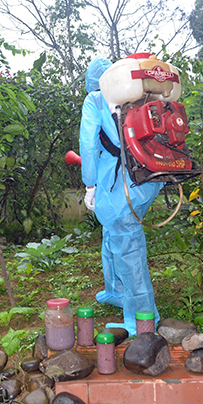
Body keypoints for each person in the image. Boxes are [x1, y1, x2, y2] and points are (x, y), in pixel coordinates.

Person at [79, 57, 163, 336]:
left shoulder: (96, 99)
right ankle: (115, 290)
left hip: (122, 179)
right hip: (148, 174)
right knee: (112, 231)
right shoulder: (139, 93)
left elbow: (88, 144)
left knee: (126, 241)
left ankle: (142, 317)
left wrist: (90, 184)